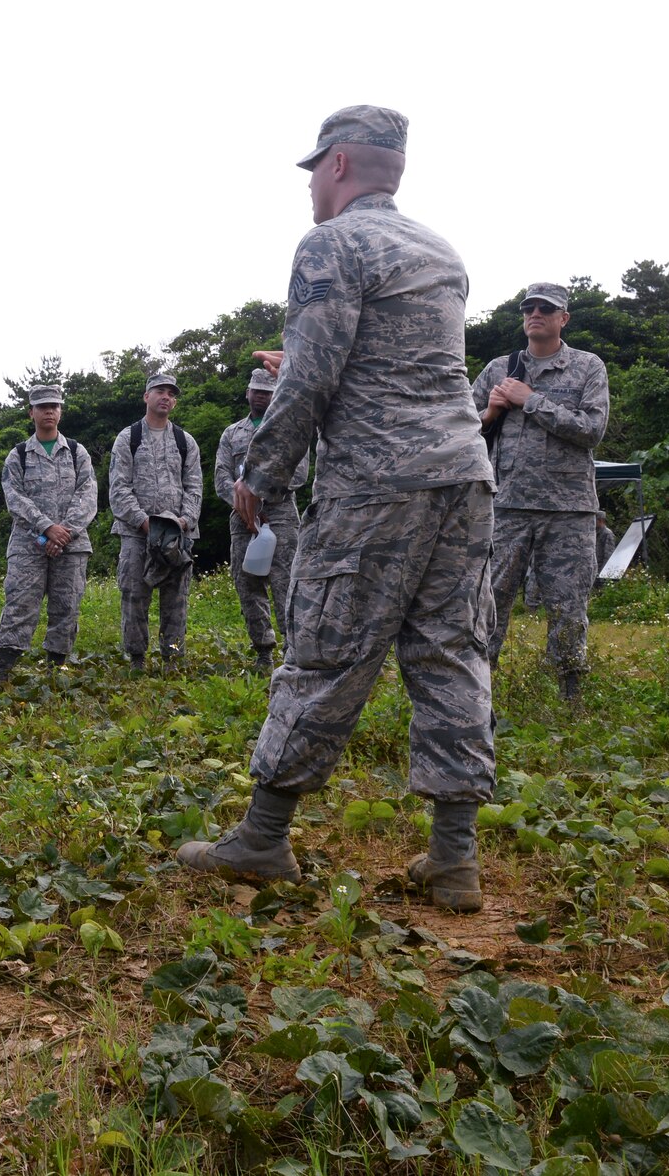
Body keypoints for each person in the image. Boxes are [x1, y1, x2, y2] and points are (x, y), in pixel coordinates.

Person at [177, 106, 496, 913]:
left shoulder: (333, 243)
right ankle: (454, 860)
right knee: (451, 652)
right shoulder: (440, 249)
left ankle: (262, 835)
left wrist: (263, 467)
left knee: (325, 648)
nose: (311, 186)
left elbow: (312, 377)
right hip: (463, 476)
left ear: (342, 164)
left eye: (315, 169)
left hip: (377, 483)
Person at [472, 281, 611, 705]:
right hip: (507, 505)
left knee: (568, 606)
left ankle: (570, 697)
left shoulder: (587, 367)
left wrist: (531, 400)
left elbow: (592, 431)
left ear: (563, 318)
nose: (535, 314)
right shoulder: (500, 368)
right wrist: (493, 410)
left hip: (568, 509)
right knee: (490, 602)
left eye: (546, 309)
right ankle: (478, 690)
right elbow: (460, 429)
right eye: (529, 308)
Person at [0, 385, 98, 681]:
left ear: (61, 411)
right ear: (31, 412)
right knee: (19, 605)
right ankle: (4, 671)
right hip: (29, 545)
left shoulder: (78, 452)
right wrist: (46, 529)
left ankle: (56, 670)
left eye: (54, 406)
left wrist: (64, 533)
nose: (49, 411)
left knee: (66, 608)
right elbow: (14, 498)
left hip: (72, 546)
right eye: (42, 407)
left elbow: (88, 495)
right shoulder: (18, 456)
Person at [215, 368, 311, 669]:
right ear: (247, 393)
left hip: (280, 516)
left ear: (276, 393)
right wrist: (243, 505)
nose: (261, 395)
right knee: (247, 586)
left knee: (285, 586)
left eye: (267, 391)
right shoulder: (232, 434)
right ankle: (263, 651)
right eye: (256, 390)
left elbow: (299, 474)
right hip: (242, 520)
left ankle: (293, 653)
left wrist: (258, 493)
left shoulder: (291, 427)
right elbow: (220, 477)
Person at [108, 373, 202, 669]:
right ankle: (136, 659)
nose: (166, 397)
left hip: (178, 535)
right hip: (137, 534)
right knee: (134, 595)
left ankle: (172, 659)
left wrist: (184, 522)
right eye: (160, 391)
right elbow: (119, 488)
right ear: (146, 396)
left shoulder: (185, 441)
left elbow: (195, 486)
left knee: (176, 602)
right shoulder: (129, 438)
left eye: (171, 393)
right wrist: (145, 524)